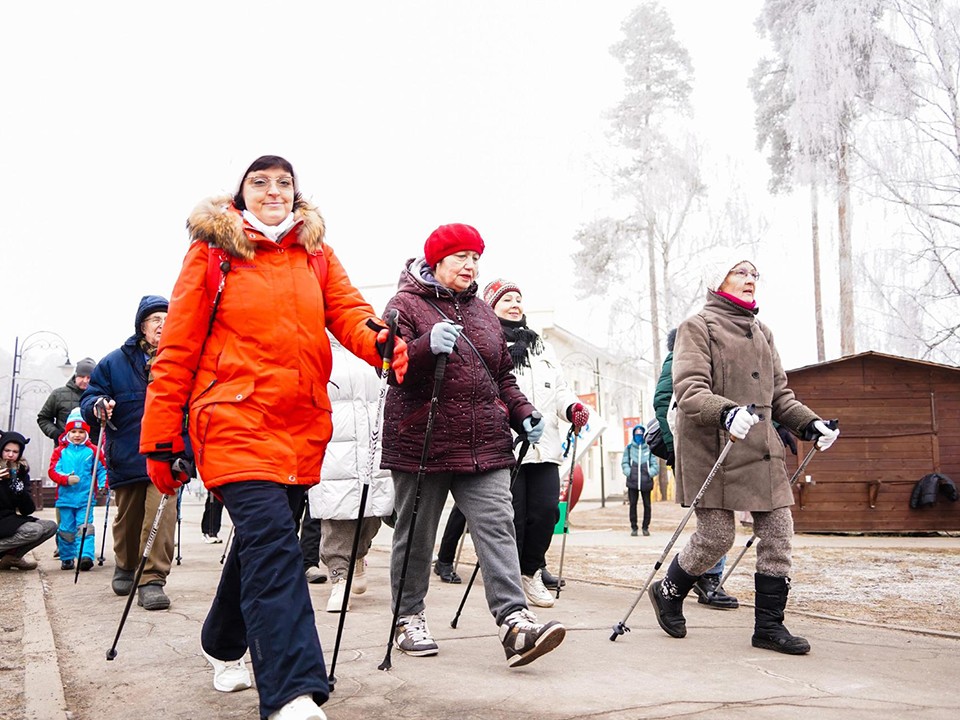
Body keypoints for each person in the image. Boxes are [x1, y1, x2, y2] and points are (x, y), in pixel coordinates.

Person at [139, 155, 408, 720]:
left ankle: (220, 641)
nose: (273, 191)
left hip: (298, 426)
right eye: (259, 182)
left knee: (265, 544)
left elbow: (349, 313)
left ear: (296, 194)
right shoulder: (213, 253)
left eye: (284, 183)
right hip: (232, 419)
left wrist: (379, 342)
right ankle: (292, 691)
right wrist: (161, 435)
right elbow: (179, 347)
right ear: (240, 195)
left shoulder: (315, 255)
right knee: (277, 548)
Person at [381, 223, 565, 668]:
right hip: (421, 441)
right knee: (417, 533)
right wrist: (424, 347)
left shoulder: (483, 312)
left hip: (483, 441)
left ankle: (514, 623)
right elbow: (388, 366)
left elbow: (501, 376)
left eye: (475, 257)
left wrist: (524, 413)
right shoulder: (403, 305)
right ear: (436, 261)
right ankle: (408, 617)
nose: (470, 265)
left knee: (497, 526)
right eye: (460, 256)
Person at [648, 251, 839, 655]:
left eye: (754, 273)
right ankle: (669, 590)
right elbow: (689, 391)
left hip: (760, 451)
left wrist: (810, 424)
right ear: (719, 280)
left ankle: (769, 627)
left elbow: (779, 395)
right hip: (711, 447)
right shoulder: (696, 327)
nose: (750, 278)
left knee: (778, 534)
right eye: (740, 272)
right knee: (716, 537)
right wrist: (727, 411)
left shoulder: (763, 332)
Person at [481, 278, 588, 608]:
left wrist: (571, 408)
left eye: (518, 299)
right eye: (506, 300)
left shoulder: (542, 346)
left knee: (544, 513)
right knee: (513, 517)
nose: (515, 305)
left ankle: (531, 573)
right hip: (506, 447)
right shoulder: (484, 341)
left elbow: (559, 390)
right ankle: (512, 582)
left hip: (545, 446)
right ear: (491, 306)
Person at [81, 295, 187, 612]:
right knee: (128, 519)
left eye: (168, 319)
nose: (162, 325)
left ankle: (152, 579)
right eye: (156, 319)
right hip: (127, 453)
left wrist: (191, 451)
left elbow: (195, 408)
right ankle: (126, 564)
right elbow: (91, 398)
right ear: (142, 327)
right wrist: (98, 406)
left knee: (161, 515)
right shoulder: (114, 362)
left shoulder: (183, 360)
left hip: (168, 455)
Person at [654, 328, 739, 610]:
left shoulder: (720, 357)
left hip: (725, 446)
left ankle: (707, 577)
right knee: (713, 520)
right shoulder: (678, 357)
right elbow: (664, 405)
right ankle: (704, 578)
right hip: (694, 451)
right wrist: (675, 451)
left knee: (722, 515)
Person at [310, 336, 393, 613]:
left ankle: (358, 555)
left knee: (373, 511)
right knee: (337, 513)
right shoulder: (316, 347)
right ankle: (339, 576)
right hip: (334, 445)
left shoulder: (371, 347)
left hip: (373, 442)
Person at [48, 410, 107, 570]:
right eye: (73, 431)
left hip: (85, 499)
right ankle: (67, 557)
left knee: (85, 528)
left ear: (86, 433)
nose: (77, 435)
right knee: (66, 530)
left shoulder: (93, 450)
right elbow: (53, 471)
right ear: (68, 432)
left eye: (81, 432)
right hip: (65, 498)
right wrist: (65, 479)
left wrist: (103, 484)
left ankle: (85, 555)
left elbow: (101, 469)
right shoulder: (60, 451)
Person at [0, 431, 57, 570]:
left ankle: (12, 558)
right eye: (7, 450)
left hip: (7, 518)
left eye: (15, 451)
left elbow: (27, 510)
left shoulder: (20, 472)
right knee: (33, 530)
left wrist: (18, 488)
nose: (10, 454)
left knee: (49, 527)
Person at [37, 357, 98, 442]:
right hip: (63, 450)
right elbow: (43, 418)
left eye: (89, 378)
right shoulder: (58, 395)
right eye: (81, 376)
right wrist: (55, 433)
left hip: (93, 450)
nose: (85, 380)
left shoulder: (99, 397)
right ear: (75, 376)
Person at [621, 425, 658, 537]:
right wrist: (629, 472)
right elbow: (624, 462)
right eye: (637, 434)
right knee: (633, 505)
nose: (639, 436)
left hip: (646, 482)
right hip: (632, 482)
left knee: (647, 505)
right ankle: (634, 527)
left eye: (640, 434)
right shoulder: (629, 448)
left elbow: (654, 464)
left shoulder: (649, 448)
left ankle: (645, 527)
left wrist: (650, 473)